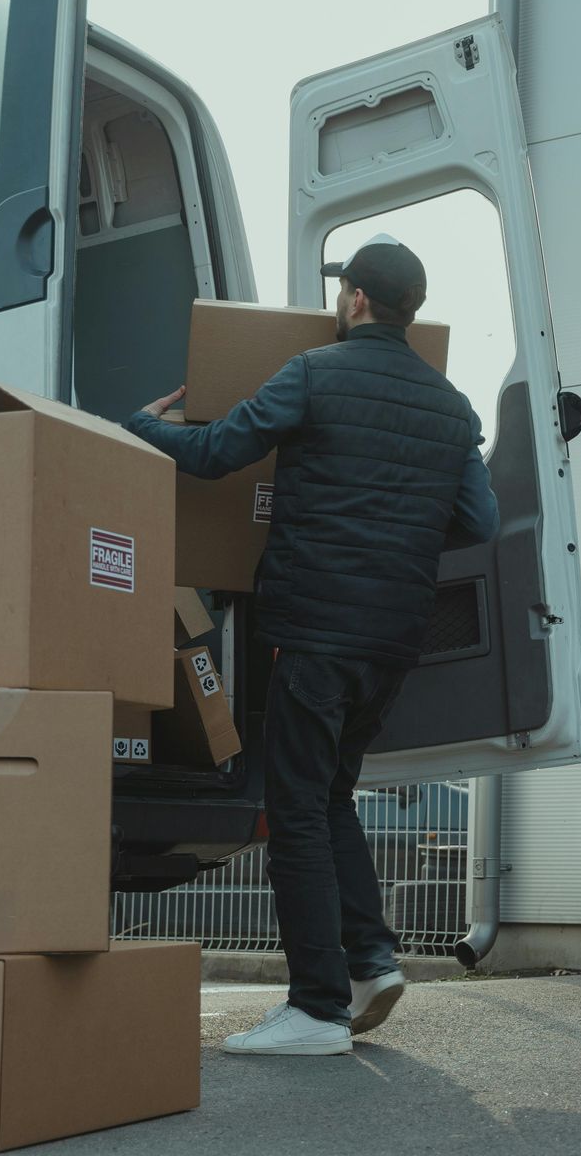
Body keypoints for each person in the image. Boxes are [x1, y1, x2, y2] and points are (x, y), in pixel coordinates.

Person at [126, 234, 498, 1056]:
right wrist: (396, 529)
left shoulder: (313, 375)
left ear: (357, 300)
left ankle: (318, 1007)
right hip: (391, 642)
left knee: (293, 809)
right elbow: (480, 522)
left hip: (313, 631)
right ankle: (370, 959)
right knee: (331, 797)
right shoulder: (450, 406)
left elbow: (220, 452)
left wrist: (140, 429)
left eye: (343, 291)